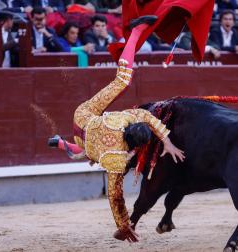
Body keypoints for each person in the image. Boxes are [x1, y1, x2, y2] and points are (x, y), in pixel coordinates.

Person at [48, 16, 186, 243]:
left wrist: (167, 141)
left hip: (84, 115)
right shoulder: (116, 158)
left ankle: (135, 32)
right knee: (85, 153)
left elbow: (145, 116)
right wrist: (123, 226)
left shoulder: (124, 119)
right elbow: (115, 196)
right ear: (133, 145)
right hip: (87, 140)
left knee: (122, 80)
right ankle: (62, 143)